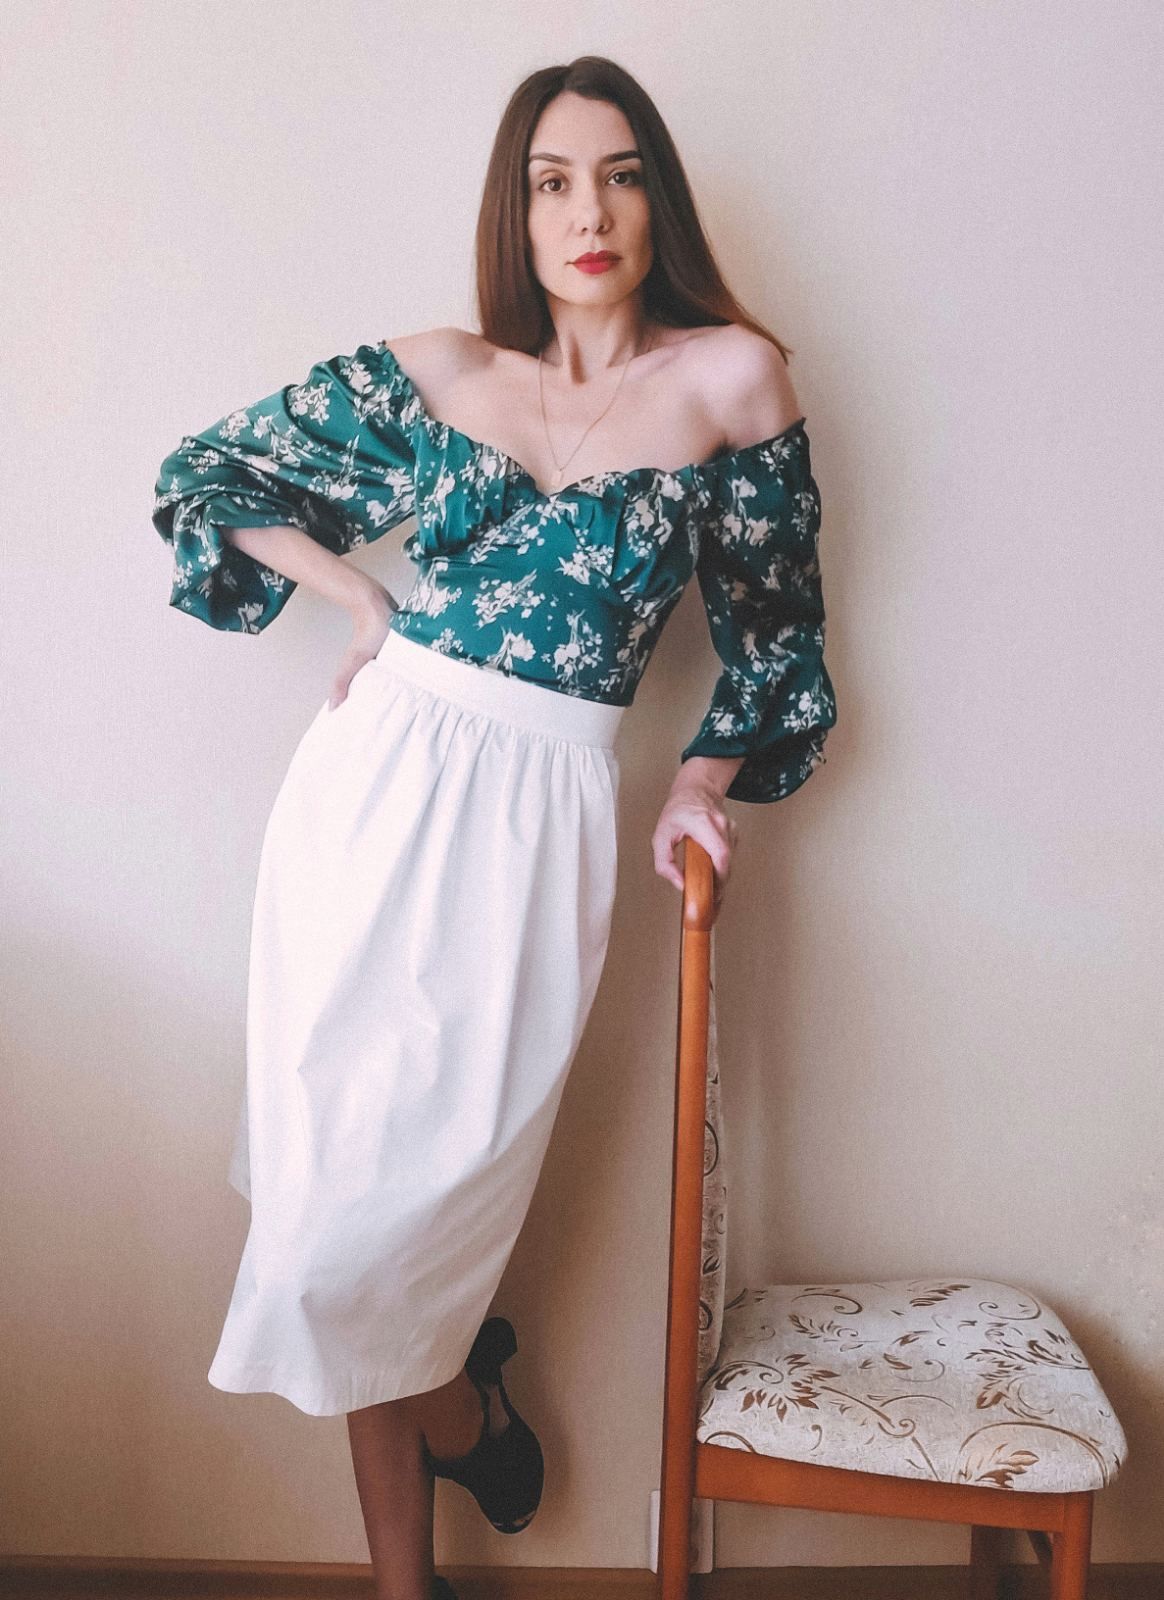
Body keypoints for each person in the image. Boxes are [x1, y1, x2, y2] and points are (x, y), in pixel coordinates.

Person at [151, 54, 837, 1600]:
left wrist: (700, 779)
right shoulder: (447, 371)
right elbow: (208, 477)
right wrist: (358, 594)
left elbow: (778, 630)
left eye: (620, 176)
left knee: (398, 1224)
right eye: (553, 182)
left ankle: (468, 1404)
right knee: (330, 1216)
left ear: (658, 199)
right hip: (366, 796)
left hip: (536, 826)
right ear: (516, 214)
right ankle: (409, 1579)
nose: (589, 213)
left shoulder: (732, 380)